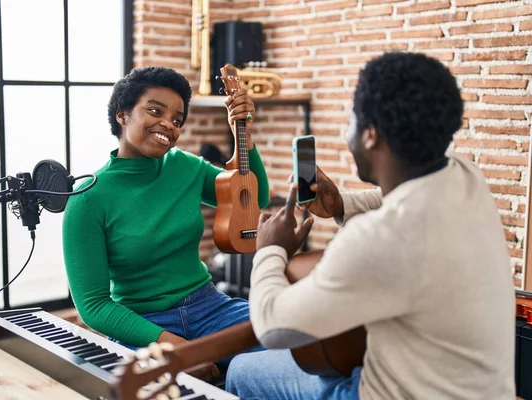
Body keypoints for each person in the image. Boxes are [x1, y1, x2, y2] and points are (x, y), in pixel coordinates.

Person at [225, 52, 515, 399]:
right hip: (481, 388)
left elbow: (272, 326)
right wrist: (341, 203)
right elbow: (402, 197)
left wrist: (270, 249)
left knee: (243, 369)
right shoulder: (467, 178)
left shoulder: (379, 239)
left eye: (351, 120)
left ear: (370, 135)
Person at [62, 66, 269, 381]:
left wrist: (244, 134)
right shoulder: (87, 199)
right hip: (142, 324)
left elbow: (254, 200)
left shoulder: (184, 166)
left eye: (177, 120)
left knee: (289, 342)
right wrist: (174, 347)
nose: (168, 125)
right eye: (155, 111)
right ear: (122, 114)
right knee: (153, 387)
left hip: (211, 308)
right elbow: (93, 305)